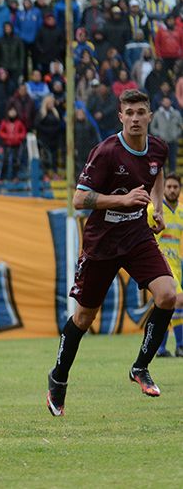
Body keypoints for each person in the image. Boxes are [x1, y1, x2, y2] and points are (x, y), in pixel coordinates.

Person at [47, 89, 175, 417]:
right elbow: (79, 199)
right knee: (84, 318)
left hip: (137, 236)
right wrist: (123, 200)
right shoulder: (106, 152)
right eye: (129, 113)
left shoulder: (158, 148)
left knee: (168, 295)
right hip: (102, 243)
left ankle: (140, 367)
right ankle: (58, 378)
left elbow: (157, 172)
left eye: (140, 112)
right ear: (120, 117)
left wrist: (158, 207)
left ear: (149, 116)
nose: (135, 118)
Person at [146, 174, 183, 358]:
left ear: (180, 189)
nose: (172, 190)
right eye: (168, 186)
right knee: (179, 300)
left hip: (176, 266)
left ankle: (160, 349)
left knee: (166, 306)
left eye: (175, 187)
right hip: (159, 264)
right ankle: (181, 346)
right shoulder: (153, 210)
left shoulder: (181, 211)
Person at [150, 97, 183, 174]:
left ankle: (172, 175)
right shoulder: (157, 114)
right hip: (162, 141)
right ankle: (163, 177)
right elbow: (152, 128)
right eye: (165, 101)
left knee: (173, 159)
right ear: (162, 103)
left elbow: (181, 126)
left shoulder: (176, 113)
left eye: (168, 101)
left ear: (171, 102)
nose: (167, 103)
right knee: (162, 160)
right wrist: (159, 134)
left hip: (173, 140)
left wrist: (176, 133)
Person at [0, 106, 27, 183]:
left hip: (16, 144)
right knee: (5, 160)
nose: (12, 113)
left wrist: (17, 137)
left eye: (14, 111)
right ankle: (1, 177)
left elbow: (23, 132)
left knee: (15, 160)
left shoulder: (19, 122)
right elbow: (0, 132)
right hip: (7, 144)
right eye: (11, 111)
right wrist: (7, 136)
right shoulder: (4, 122)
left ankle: (15, 177)